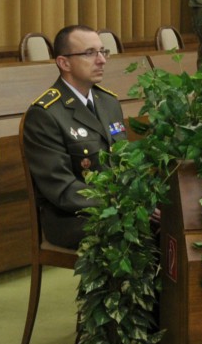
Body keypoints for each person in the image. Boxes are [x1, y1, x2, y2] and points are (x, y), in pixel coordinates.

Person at [21, 25, 128, 250]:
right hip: (72, 218)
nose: (101, 60)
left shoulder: (108, 102)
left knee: (170, 221)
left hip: (115, 208)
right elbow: (61, 187)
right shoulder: (46, 113)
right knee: (136, 232)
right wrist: (117, 204)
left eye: (103, 52)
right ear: (64, 63)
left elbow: (124, 161)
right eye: (90, 53)